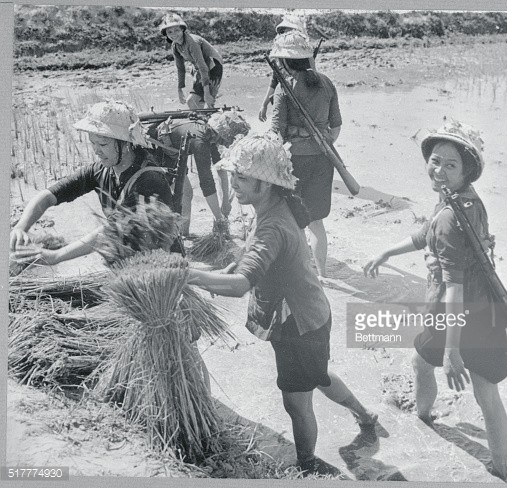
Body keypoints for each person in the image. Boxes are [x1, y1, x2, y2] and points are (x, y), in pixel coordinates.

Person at [186, 132, 377, 476]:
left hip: (299, 325)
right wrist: (230, 264)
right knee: (315, 376)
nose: (234, 184)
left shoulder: (271, 224)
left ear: (266, 183)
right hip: (311, 314)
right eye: (234, 176)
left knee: (296, 402)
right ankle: (365, 416)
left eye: (242, 178)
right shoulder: (278, 203)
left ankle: (307, 464)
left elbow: (242, 284)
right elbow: (260, 258)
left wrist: (191, 276)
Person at [363, 120, 507, 480]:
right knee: (486, 392)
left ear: (466, 170)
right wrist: (387, 251)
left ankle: (423, 419)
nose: (439, 169)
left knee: (421, 360)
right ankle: (501, 469)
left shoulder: (448, 216)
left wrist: (452, 351)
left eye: (450, 165)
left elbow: (454, 288)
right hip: (488, 309)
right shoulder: (467, 202)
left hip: (454, 314)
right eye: (435, 160)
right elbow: (424, 235)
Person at [10, 100, 178, 265]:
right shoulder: (100, 170)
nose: (96, 150)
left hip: (159, 264)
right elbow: (48, 196)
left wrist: (56, 256)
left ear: (125, 143)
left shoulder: (149, 179)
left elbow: (112, 230)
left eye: (103, 144)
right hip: (128, 259)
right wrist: (21, 227)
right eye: (93, 143)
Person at [270, 31, 341, 279]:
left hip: (294, 161)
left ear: (286, 62)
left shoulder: (284, 89)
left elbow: (276, 135)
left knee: (295, 219)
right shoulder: (327, 83)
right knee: (316, 222)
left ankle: (300, 271)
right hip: (324, 159)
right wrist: (319, 143)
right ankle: (322, 275)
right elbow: (336, 127)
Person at [148, 111, 251, 235]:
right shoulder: (200, 140)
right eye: (226, 141)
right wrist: (219, 219)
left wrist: (225, 202)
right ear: (221, 134)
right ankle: (181, 234)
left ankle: (183, 233)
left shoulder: (211, 134)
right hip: (160, 150)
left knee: (186, 193)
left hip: (175, 153)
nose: (226, 144)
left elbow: (220, 168)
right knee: (185, 193)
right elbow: (206, 182)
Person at [160, 13, 223, 110]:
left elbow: (203, 66)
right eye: (170, 32)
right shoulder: (175, 46)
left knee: (205, 101)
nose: (174, 34)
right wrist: (180, 90)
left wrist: (206, 93)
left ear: (182, 29)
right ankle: (203, 120)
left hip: (213, 66)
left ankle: (210, 117)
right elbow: (180, 68)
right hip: (200, 68)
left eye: (176, 30)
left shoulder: (192, 42)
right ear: (166, 34)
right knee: (193, 102)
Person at [258, 14, 314, 122]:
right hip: (286, 101)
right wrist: (264, 105)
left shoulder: (305, 55)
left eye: (288, 31)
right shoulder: (279, 56)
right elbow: (274, 82)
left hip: (302, 103)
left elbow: (313, 79)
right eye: (283, 32)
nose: (285, 34)